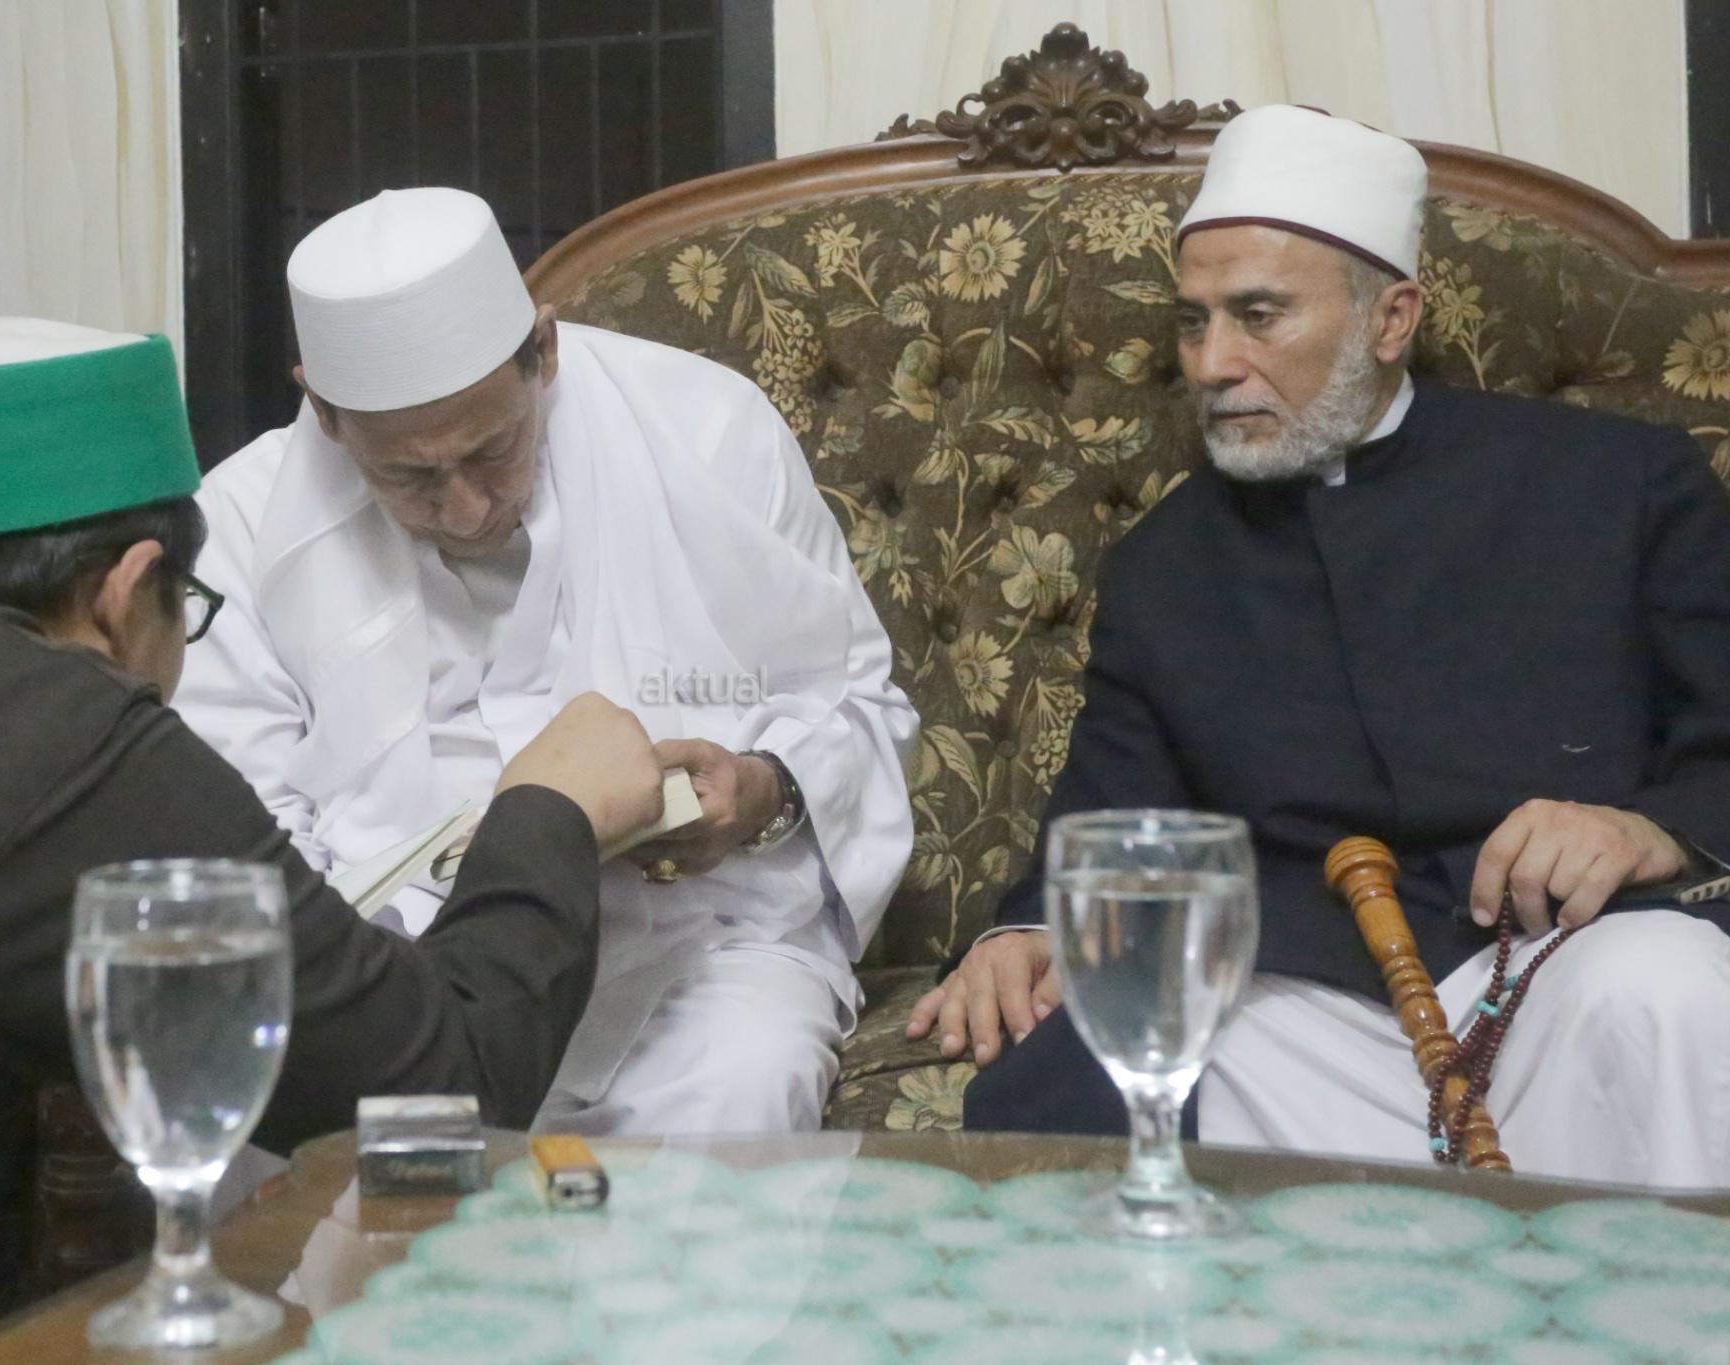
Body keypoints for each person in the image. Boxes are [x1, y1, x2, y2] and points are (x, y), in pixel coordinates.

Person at [0, 317, 668, 1363]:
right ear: (124, 591)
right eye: (185, 610)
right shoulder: (54, 736)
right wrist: (550, 809)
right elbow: (434, 1094)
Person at [910, 105, 1730, 1189]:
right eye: (1192, 323)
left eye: (1258, 316)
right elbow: (1109, 819)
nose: (1213, 363)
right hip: (1302, 1010)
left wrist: (1649, 830)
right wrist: (1018, 935)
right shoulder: (1166, 562)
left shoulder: (1619, 485)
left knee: (1667, 986)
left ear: (1390, 319)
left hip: (1559, 967)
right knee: (1096, 1066)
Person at [178, 188, 918, 1135]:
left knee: (745, 1079)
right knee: (281, 1120)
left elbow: (858, 705)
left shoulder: (710, 431)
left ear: (545, 349)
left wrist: (761, 791)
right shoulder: (239, 528)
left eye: (493, 451)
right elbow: (248, 839)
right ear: (324, 412)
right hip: (398, 969)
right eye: (409, 475)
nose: (463, 508)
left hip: (700, 945)